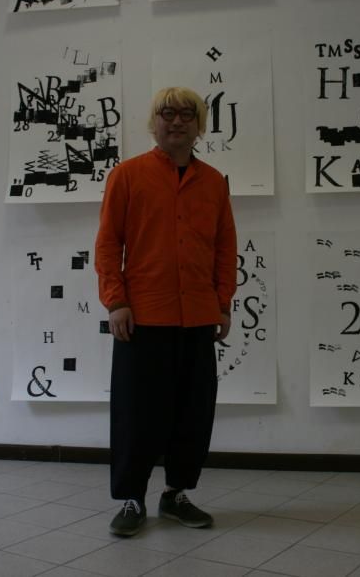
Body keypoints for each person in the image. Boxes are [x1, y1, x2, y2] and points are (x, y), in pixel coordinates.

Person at [95, 86, 237, 537]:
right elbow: (108, 244)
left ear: (200, 125)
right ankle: (132, 499)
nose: (177, 122)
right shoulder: (127, 176)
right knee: (136, 415)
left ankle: (175, 495)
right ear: (153, 122)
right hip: (142, 317)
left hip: (197, 316)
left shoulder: (213, 182)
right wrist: (116, 300)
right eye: (168, 113)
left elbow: (225, 247)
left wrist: (223, 303)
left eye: (187, 115)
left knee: (192, 413)